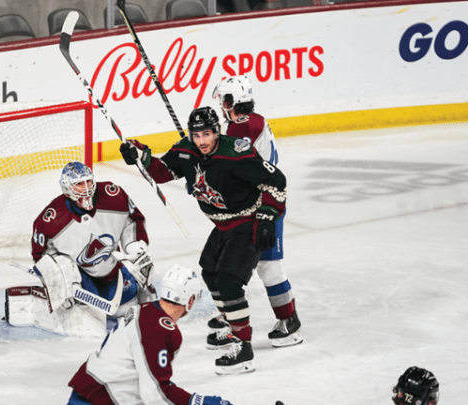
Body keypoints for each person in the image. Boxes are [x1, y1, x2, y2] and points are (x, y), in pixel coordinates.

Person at [119, 105, 287, 375]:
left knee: (229, 280)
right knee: (210, 271)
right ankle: (233, 327)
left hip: (248, 222)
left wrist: (268, 216)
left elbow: (276, 180)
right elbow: (163, 171)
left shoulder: (236, 152)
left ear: (216, 132)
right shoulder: (186, 150)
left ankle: (243, 348)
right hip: (222, 225)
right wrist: (140, 154)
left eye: (207, 134)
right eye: (197, 135)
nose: (202, 141)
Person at [5, 161, 157, 337]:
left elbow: (133, 220)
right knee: (88, 325)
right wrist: (56, 282)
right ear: (66, 187)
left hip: (112, 270)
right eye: (79, 184)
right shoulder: (51, 220)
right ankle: (76, 304)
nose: (86, 188)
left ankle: (142, 292)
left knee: (126, 309)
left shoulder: (113, 195)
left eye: (88, 182)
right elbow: (41, 256)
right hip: (82, 280)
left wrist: (134, 248)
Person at [210, 75, 303, 349]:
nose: (221, 106)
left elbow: (227, 167)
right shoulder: (251, 121)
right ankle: (232, 317)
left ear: (231, 101)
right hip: (250, 203)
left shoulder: (241, 129)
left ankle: (290, 321)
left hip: (264, 205)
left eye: (223, 100)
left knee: (268, 266)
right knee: (231, 260)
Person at [67, 264, 234, 405]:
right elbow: (155, 393)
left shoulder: (142, 309)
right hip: (99, 398)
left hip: (92, 391)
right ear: (189, 300)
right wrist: (199, 401)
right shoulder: (160, 329)